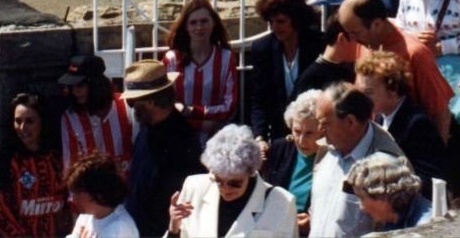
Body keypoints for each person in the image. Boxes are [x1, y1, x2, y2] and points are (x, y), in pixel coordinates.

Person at [338, 0, 453, 142]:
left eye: (355, 33)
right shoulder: (365, 45)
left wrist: (436, 158)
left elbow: (440, 112)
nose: (352, 39)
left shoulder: (415, 53)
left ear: (377, 24)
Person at [309, 83, 405, 238]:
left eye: (325, 124)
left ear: (350, 122)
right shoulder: (326, 151)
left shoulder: (389, 167)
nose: (319, 130)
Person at [168, 124, 297, 237]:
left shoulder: (282, 203)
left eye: (234, 183)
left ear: (250, 173)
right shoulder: (194, 188)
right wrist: (174, 229)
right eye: (218, 180)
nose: (225, 189)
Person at [123, 60, 200, 237]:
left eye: (133, 102)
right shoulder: (148, 129)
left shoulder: (181, 139)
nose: (132, 107)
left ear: (150, 102)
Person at [354, 51, 446, 197]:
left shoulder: (417, 125)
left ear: (393, 90)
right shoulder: (379, 118)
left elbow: (429, 179)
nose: (361, 99)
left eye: (369, 92)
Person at [249, 0, 325, 146]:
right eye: (271, 22)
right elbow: (259, 100)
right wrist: (260, 137)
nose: (275, 27)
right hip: (280, 134)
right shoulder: (263, 49)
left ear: (296, 20)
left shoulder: (318, 45)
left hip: (315, 132)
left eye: (281, 21)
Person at [0, 94, 71, 237]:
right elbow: (0, 210)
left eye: (30, 121)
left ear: (42, 122)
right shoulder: (7, 161)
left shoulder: (59, 157)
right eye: (18, 121)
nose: (22, 127)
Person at [163, 0, 239, 137]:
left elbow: (229, 106)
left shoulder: (227, 58)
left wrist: (191, 111)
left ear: (213, 23)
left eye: (204, 21)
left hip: (216, 136)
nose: (199, 27)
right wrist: (201, 124)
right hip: (179, 135)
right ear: (185, 27)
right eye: (193, 22)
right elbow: (166, 106)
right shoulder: (172, 59)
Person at [58, 54, 135, 175]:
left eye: (80, 85)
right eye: (71, 86)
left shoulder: (126, 106)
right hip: (94, 192)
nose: (75, 91)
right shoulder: (70, 118)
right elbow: (70, 167)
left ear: (96, 84)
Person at [262, 89, 324, 233]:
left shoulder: (332, 158)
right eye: (297, 131)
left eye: (309, 133)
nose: (301, 140)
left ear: (323, 131)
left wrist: (314, 220)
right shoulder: (280, 148)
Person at [345, 155, 433, 231]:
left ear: (382, 195)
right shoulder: (392, 219)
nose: (361, 207)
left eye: (362, 198)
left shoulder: (425, 227)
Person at [65, 154, 139, 238]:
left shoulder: (119, 228)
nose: (72, 199)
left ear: (99, 194)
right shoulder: (85, 218)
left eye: (78, 193)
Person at [294, 12, 358, 94]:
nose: (362, 43)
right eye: (357, 39)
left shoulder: (347, 73)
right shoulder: (311, 79)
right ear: (341, 39)